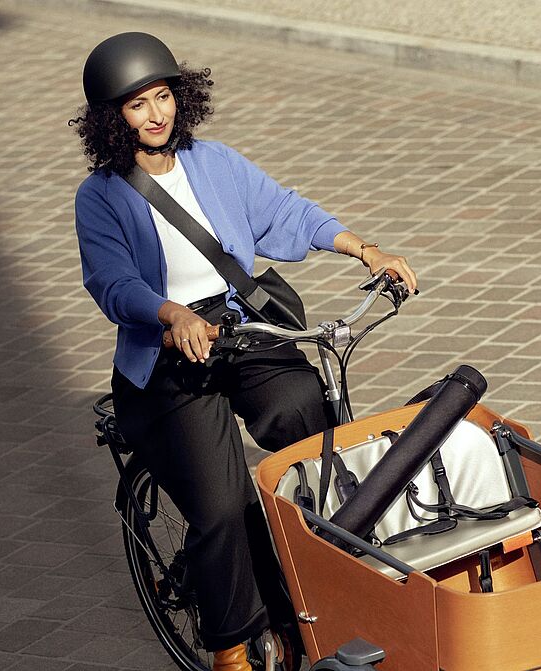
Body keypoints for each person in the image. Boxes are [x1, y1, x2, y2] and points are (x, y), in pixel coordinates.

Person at [71, 32, 419, 671]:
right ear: (111, 119)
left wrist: (364, 249)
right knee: (222, 503)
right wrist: (169, 312)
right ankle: (231, 644)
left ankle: (310, 576)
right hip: (169, 349)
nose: (157, 114)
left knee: (304, 411)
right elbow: (112, 282)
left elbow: (285, 211)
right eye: (137, 105)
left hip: (242, 326)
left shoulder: (215, 162)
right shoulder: (101, 197)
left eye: (163, 96)